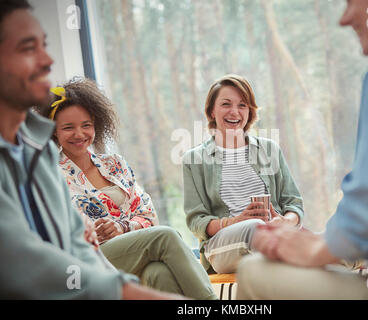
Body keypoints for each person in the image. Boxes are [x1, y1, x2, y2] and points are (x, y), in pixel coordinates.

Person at [237, 0, 368, 300]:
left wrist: (315, 248)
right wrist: (329, 243)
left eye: (352, 2)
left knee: (253, 270)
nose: (345, 18)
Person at [0, 0, 187, 299]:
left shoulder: (40, 153)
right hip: (94, 272)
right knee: (164, 243)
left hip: (107, 267)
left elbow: (80, 247)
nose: (48, 60)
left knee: (158, 273)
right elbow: (27, 265)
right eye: (27, 48)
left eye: (45, 45)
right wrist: (125, 291)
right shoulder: (52, 163)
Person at [38, 77, 217, 300]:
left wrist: (122, 226)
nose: (79, 134)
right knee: (165, 236)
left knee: (158, 274)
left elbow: (149, 215)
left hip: (132, 252)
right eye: (68, 127)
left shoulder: (115, 164)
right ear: (54, 131)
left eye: (86, 125)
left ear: (96, 124)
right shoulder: (50, 176)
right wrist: (94, 231)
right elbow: (54, 235)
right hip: (88, 261)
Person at [182, 74, 305, 274]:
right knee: (256, 227)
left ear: (249, 111)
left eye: (242, 105)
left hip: (274, 236)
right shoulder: (194, 159)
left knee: (331, 240)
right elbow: (196, 222)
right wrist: (235, 221)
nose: (234, 112)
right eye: (226, 104)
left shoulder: (270, 149)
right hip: (223, 247)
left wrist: (286, 221)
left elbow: (293, 204)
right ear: (212, 111)